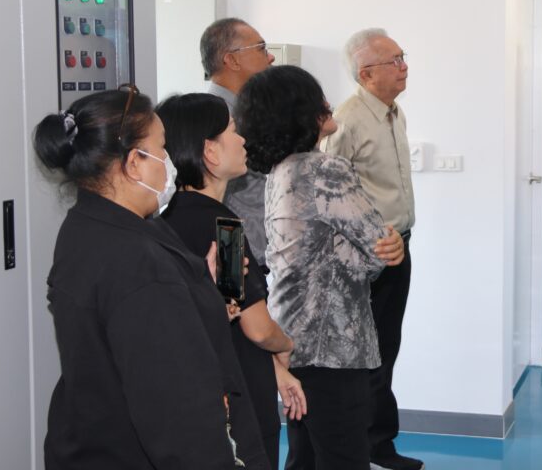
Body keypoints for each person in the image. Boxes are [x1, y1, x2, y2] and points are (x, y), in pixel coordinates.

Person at [34, 85, 270, 469]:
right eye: (161, 150)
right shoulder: (138, 265)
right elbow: (179, 416)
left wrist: (201, 290)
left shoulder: (89, 224)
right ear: (134, 163)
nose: (169, 162)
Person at [236, 65, 406, 470]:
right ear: (299, 111)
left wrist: (372, 247)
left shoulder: (280, 171)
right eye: (318, 97)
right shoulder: (324, 170)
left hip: (293, 336)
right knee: (343, 457)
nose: (328, 103)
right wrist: (388, 245)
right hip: (333, 346)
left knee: (306, 456)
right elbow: (377, 248)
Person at [157, 93, 308, 469]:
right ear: (210, 151)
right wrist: (285, 346)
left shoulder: (163, 222)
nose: (243, 140)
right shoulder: (224, 230)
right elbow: (257, 328)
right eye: (234, 131)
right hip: (238, 391)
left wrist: (275, 368)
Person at [319, 28, 421, 470]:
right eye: (394, 60)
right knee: (368, 355)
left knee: (387, 348)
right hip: (366, 256)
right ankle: (365, 449)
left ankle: (380, 445)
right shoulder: (347, 121)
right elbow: (328, 191)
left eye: (402, 56)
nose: (404, 66)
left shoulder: (394, 113)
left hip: (399, 248)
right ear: (366, 73)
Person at [200, 17, 275, 266]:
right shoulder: (217, 118)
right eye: (261, 49)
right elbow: (216, 200)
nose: (271, 57)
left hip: (261, 254)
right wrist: (231, 265)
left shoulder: (249, 111)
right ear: (232, 60)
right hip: (240, 256)